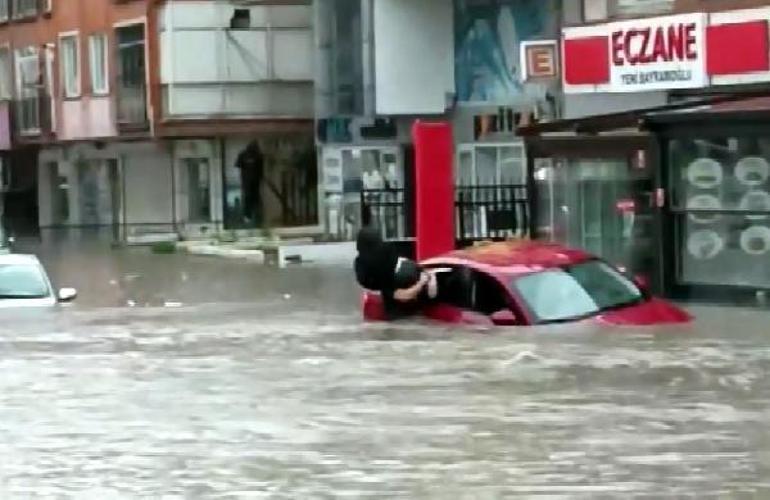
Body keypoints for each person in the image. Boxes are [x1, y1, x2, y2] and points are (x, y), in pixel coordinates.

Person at [354, 226, 437, 319]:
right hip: (405, 315)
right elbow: (402, 295)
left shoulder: (367, 266)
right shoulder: (383, 272)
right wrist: (421, 283)